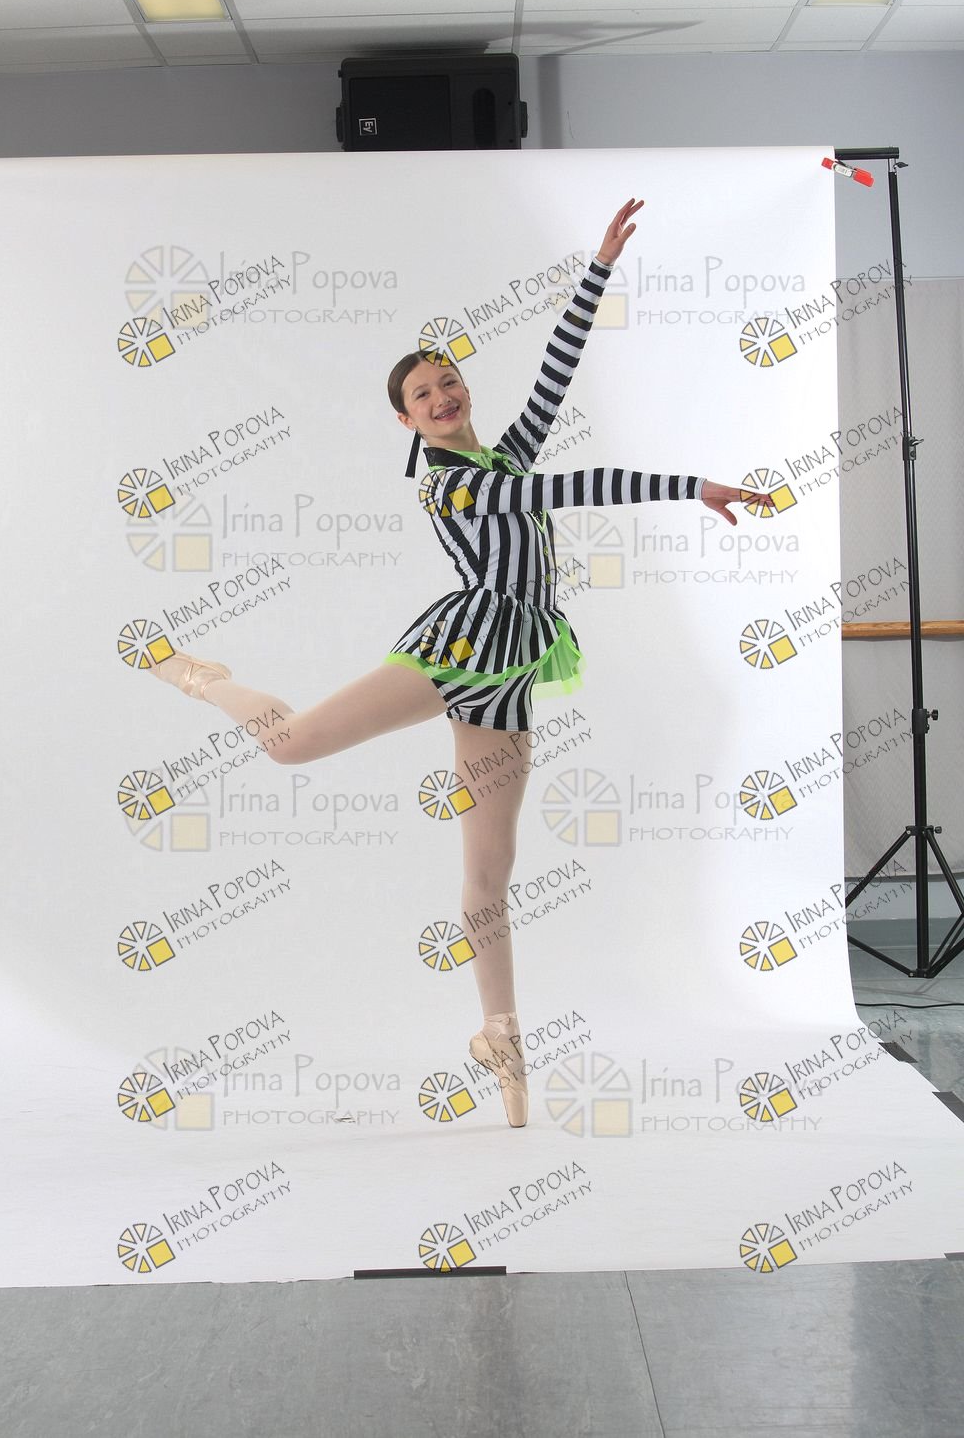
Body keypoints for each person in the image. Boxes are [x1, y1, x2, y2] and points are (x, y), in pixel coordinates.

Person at [148, 199, 773, 1128]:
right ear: (405, 420)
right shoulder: (452, 482)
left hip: (513, 668)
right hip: (462, 644)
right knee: (289, 746)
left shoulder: (502, 455)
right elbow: (571, 486)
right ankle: (203, 678)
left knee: (491, 872)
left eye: (448, 383)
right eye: (423, 396)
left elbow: (557, 371)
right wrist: (692, 486)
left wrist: (598, 267)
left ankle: (500, 1038)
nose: (442, 398)